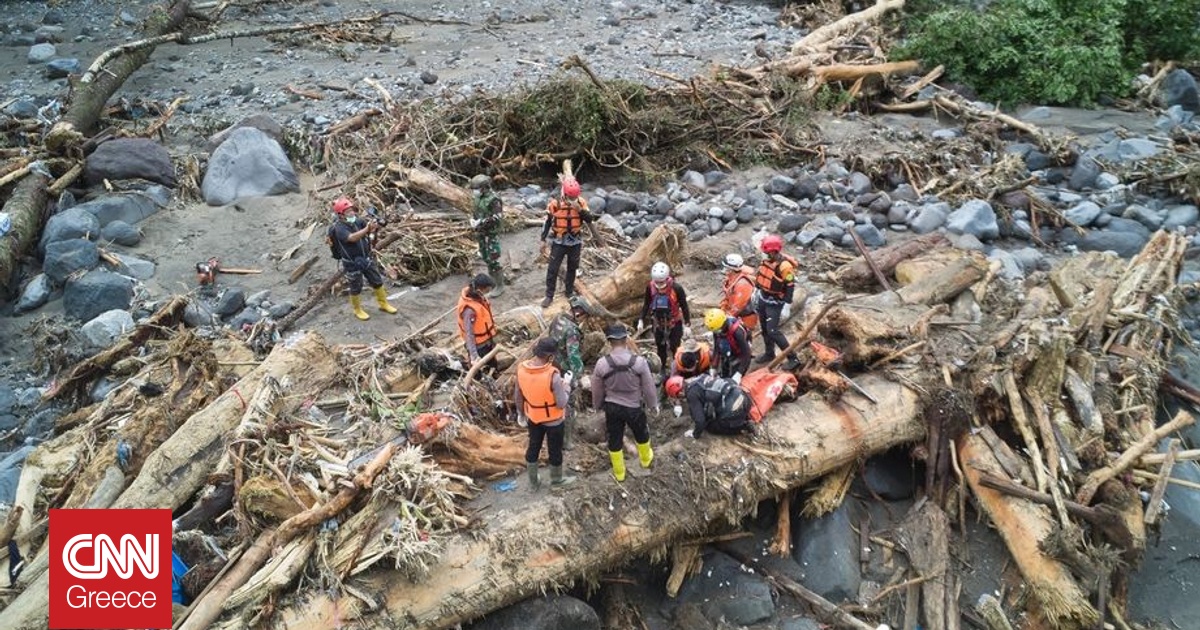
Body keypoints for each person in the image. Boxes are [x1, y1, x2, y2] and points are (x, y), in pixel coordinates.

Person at [591, 323, 659, 482]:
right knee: (641, 434)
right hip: (634, 407)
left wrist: (597, 405)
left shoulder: (602, 363)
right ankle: (645, 460)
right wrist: (653, 404)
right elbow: (648, 387)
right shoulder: (639, 362)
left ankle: (619, 473)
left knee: (614, 438)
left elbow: (596, 388)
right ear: (626, 339)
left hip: (612, 408)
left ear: (609, 341)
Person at [515, 337, 576, 489]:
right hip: (553, 420)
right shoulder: (553, 376)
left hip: (533, 417)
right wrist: (566, 385)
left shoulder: (521, 369)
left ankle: (533, 481)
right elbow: (562, 402)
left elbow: (518, 395)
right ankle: (556, 480)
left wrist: (521, 413)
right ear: (550, 356)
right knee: (555, 450)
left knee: (533, 447)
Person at [327, 197, 397, 321]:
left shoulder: (358, 221)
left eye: (352, 210)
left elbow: (371, 229)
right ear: (340, 215)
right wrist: (367, 229)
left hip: (366, 258)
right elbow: (352, 238)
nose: (351, 213)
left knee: (377, 280)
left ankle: (383, 303)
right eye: (347, 212)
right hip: (352, 263)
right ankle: (357, 309)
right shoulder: (339, 228)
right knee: (356, 286)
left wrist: (375, 226)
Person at [546, 295, 596, 449]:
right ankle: (567, 440)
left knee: (552, 400)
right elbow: (573, 355)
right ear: (579, 312)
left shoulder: (558, 318)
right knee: (568, 403)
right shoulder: (572, 330)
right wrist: (580, 376)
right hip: (565, 370)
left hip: (551, 365)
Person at [540, 175, 595, 308]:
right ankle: (549, 295)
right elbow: (547, 222)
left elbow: (589, 218)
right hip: (559, 241)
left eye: (574, 197)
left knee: (572, 267)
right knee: (553, 268)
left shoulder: (581, 202)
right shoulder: (555, 204)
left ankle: (569, 292)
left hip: (575, 241)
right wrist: (543, 239)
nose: (572, 200)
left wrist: (579, 210)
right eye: (570, 198)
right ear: (564, 193)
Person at [638, 261, 691, 377]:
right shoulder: (650, 287)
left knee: (675, 347)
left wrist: (687, 324)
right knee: (660, 347)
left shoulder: (676, 288)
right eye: (657, 282)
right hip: (658, 323)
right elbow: (646, 304)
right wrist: (641, 319)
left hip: (674, 322)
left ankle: (679, 368)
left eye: (661, 282)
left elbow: (684, 306)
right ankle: (662, 369)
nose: (659, 285)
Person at [754, 234, 799, 366]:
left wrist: (787, 305)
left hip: (775, 302)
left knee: (772, 330)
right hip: (764, 297)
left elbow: (790, 286)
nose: (763, 254)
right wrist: (757, 291)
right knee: (764, 328)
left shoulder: (785, 266)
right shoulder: (767, 261)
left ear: (773, 252)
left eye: (765, 252)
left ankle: (793, 358)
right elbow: (762, 276)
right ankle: (769, 353)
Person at [665, 373, 753, 438]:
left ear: (680, 392)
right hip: (745, 398)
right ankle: (745, 417)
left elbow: (700, 421)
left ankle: (742, 428)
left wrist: (695, 434)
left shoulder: (691, 394)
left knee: (710, 426)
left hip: (734, 410)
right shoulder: (701, 377)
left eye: (677, 396)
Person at [469, 174, 506, 297]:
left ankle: (499, 286)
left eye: (477, 188)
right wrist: (473, 221)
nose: (475, 191)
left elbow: (496, 218)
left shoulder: (494, 199)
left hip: (491, 233)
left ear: (484, 187)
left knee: (493, 257)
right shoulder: (478, 198)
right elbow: (476, 211)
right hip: (481, 231)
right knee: (485, 256)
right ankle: (493, 282)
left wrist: (482, 222)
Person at [456, 274, 498, 372]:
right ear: (480, 289)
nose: (487, 293)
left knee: (493, 366)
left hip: (487, 342)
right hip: (479, 347)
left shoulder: (477, 297)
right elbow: (469, 333)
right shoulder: (469, 311)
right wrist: (474, 356)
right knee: (483, 372)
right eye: (487, 290)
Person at [704, 308, 752, 382]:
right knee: (724, 373)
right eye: (715, 331)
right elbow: (717, 348)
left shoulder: (737, 332)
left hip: (740, 351)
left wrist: (739, 373)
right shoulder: (717, 330)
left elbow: (747, 354)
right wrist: (713, 367)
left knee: (734, 378)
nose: (717, 333)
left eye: (717, 330)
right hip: (728, 348)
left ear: (723, 324)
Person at [720, 252, 759, 331]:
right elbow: (728, 296)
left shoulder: (742, 284)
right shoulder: (732, 279)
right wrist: (722, 309)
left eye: (726, 268)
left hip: (746, 319)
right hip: (736, 315)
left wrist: (725, 318)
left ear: (731, 269)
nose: (724, 270)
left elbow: (738, 307)